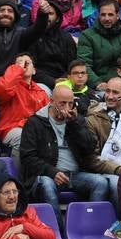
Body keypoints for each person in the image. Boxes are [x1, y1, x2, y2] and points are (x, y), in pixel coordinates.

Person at [18, 84, 115, 222]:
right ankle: (57, 230)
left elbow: (90, 148)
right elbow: (28, 157)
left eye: (71, 103)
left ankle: (90, 225)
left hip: (75, 174)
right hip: (47, 174)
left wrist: (74, 124)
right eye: (62, 103)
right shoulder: (35, 122)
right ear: (51, 102)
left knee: (100, 183)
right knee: (46, 184)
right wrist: (52, 172)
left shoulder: (77, 120)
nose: (67, 108)